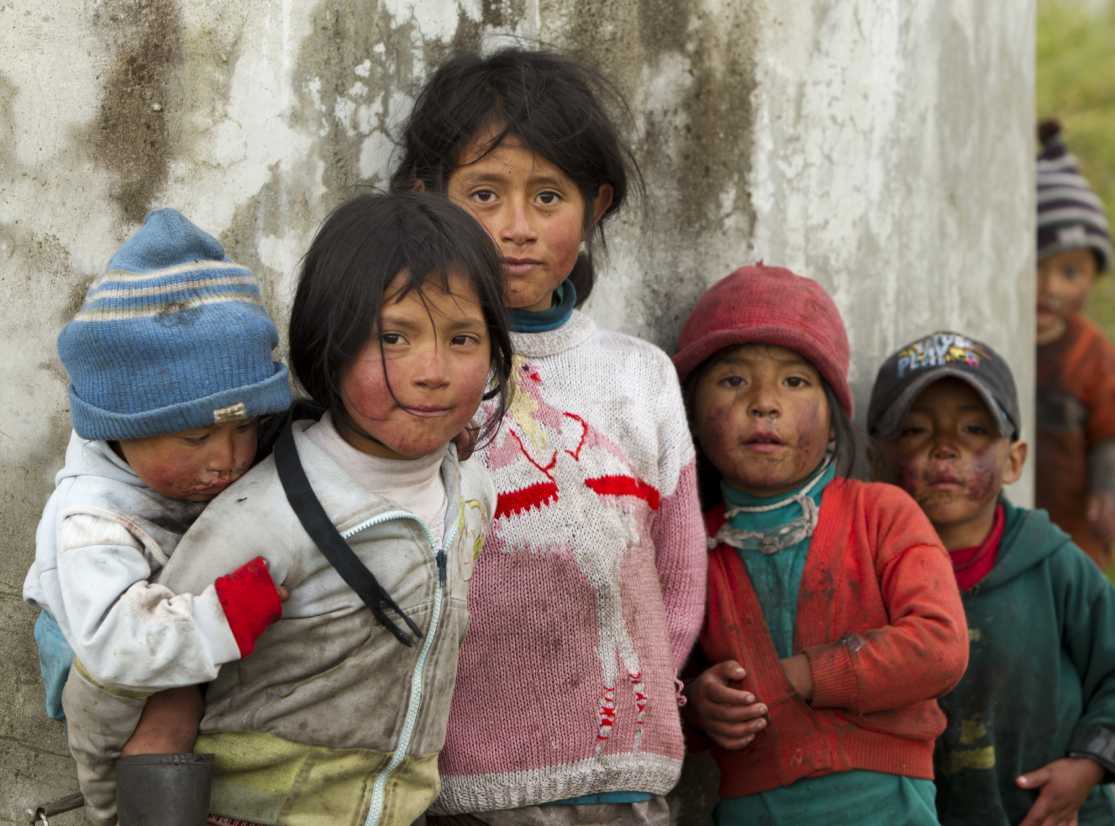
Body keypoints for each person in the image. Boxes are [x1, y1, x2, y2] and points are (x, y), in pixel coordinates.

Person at [57, 192, 512, 826]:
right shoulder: (264, 517)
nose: (432, 371)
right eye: (393, 337)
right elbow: (114, 687)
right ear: (330, 345)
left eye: (462, 337)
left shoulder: (470, 492)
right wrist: (114, 813)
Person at [391, 48, 707, 825]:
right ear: (428, 197)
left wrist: (636, 701)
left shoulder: (640, 376)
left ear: (594, 207)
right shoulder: (409, 374)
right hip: (459, 785)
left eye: (548, 196)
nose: (516, 228)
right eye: (485, 193)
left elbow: (678, 569)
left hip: (622, 777)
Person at [674, 264, 970, 826]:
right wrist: (700, 704)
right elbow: (655, 678)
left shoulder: (882, 514)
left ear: (834, 423)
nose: (764, 403)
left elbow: (940, 646)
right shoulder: (691, 543)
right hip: (754, 809)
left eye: (794, 381)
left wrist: (803, 675)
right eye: (733, 380)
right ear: (691, 417)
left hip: (886, 805)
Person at [22, 208, 292, 824]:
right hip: (101, 652)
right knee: (160, 740)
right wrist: (228, 615)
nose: (227, 459)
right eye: (196, 439)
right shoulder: (93, 522)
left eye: (246, 426)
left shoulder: (217, 442)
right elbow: (121, 645)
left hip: (174, 619)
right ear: (124, 429)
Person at [868, 329, 1115, 826]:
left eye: (975, 430)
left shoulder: (1053, 565)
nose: (945, 448)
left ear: (1014, 460)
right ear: (879, 460)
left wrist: (1087, 765)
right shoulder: (871, 572)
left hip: (1048, 814)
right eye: (916, 430)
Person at [1035, 119, 1115, 568]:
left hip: (1073, 533)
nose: (1049, 287)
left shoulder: (1091, 354)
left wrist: (1111, 495)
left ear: (1094, 276)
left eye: (1070, 273)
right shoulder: (994, 337)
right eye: (1035, 267)